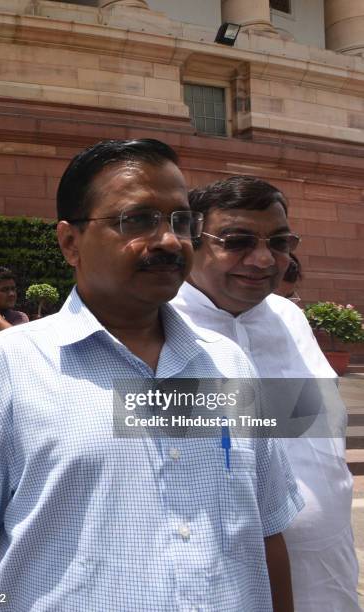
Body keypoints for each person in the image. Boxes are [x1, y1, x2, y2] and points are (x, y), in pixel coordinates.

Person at [0, 140, 303, 612]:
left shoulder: (229, 365)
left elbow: (267, 530)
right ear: (70, 242)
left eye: (180, 222)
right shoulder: (5, 368)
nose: (169, 241)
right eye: (138, 220)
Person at [171, 175, 360, 612]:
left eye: (279, 242)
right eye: (237, 240)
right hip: (222, 582)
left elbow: (324, 425)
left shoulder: (289, 318)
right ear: (192, 242)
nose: (262, 259)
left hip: (327, 571)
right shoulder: (153, 326)